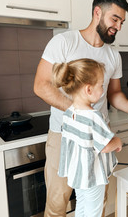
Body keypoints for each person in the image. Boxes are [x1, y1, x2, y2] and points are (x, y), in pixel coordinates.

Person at [33, 0, 128, 217]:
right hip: (65, 136)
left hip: (99, 135)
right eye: (115, 19)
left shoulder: (113, 56)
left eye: (122, 22)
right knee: (58, 201)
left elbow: (114, 94)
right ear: (97, 12)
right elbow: (41, 85)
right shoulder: (64, 42)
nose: (119, 27)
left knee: (95, 199)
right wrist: (80, 113)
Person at [52, 59, 122, 217]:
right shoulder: (93, 116)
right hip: (92, 175)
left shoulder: (70, 112)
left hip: (77, 172)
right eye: (101, 85)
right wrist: (117, 142)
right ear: (89, 89)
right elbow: (105, 146)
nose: (103, 90)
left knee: (82, 205)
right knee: (93, 212)